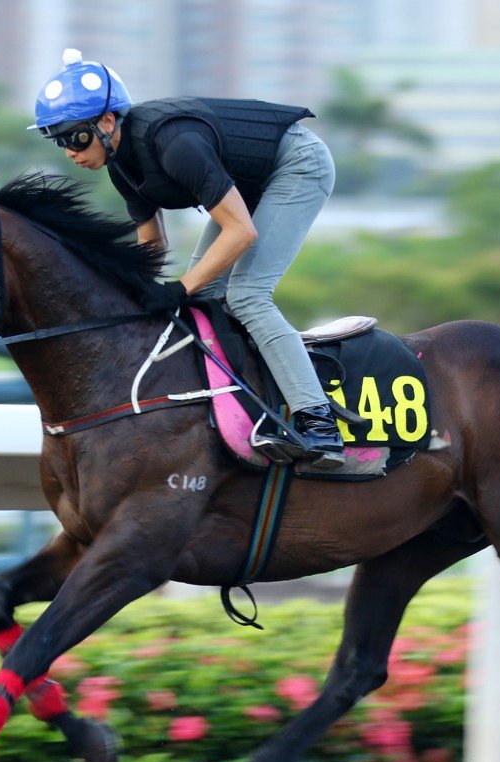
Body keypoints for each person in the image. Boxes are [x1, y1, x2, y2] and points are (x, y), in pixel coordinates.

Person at [30, 49, 343, 469]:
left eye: (75, 137)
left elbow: (241, 232)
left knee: (248, 295)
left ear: (107, 122)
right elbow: (151, 249)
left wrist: (178, 288)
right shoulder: (120, 165)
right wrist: (136, 295)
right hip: (249, 183)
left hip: (297, 164)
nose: (69, 151)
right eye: (60, 141)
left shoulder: (174, 144)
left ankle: (318, 422)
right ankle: (246, 402)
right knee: (204, 296)